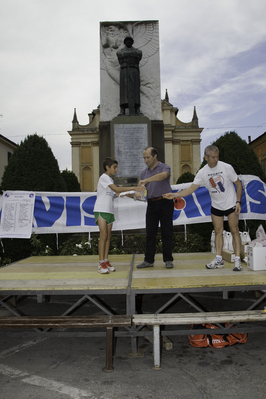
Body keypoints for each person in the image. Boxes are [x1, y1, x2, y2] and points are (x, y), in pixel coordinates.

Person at [163, 145, 243, 271]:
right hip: (216, 205)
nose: (215, 159)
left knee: (234, 230)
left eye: (217, 157)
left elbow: (238, 184)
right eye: (212, 157)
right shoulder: (203, 172)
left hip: (231, 203)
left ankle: (237, 260)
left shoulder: (226, 167)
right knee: (218, 232)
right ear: (206, 157)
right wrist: (174, 194)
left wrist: (238, 201)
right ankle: (218, 259)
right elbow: (191, 189)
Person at [94, 157, 145, 274]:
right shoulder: (104, 177)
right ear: (107, 167)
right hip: (101, 210)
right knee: (103, 236)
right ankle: (100, 263)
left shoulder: (110, 181)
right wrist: (134, 187)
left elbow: (117, 193)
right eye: (114, 167)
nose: (116, 170)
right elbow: (116, 189)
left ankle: (106, 261)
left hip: (110, 211)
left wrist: (135, 195)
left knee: (107, 237)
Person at [137, 147, 174, 269]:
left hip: (165, 202)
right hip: (151, 203)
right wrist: (133, 194)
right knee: (150, 232)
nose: (146, 160)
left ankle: (168, 259)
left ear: (155, 156)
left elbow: (164, 176)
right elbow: (141, 194)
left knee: (166, 231)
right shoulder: (143, 172)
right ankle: (148, 260)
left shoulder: (164, 167)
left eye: (148, 157)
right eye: (144, 158)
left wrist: (147, 180)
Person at [116, 35, 142, 115]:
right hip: (124, 71)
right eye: (127, 41)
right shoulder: (121, 51)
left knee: (136, 91)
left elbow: (139, 54)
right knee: (124, 91)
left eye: (130, 41)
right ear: (125, 42)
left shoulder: (137, 51)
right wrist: (132, 55)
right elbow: (119, 54)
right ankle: (122, 110)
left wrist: (126, 55)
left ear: (132, 42)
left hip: (134, 71)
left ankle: (137, 109)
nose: (128, 42)